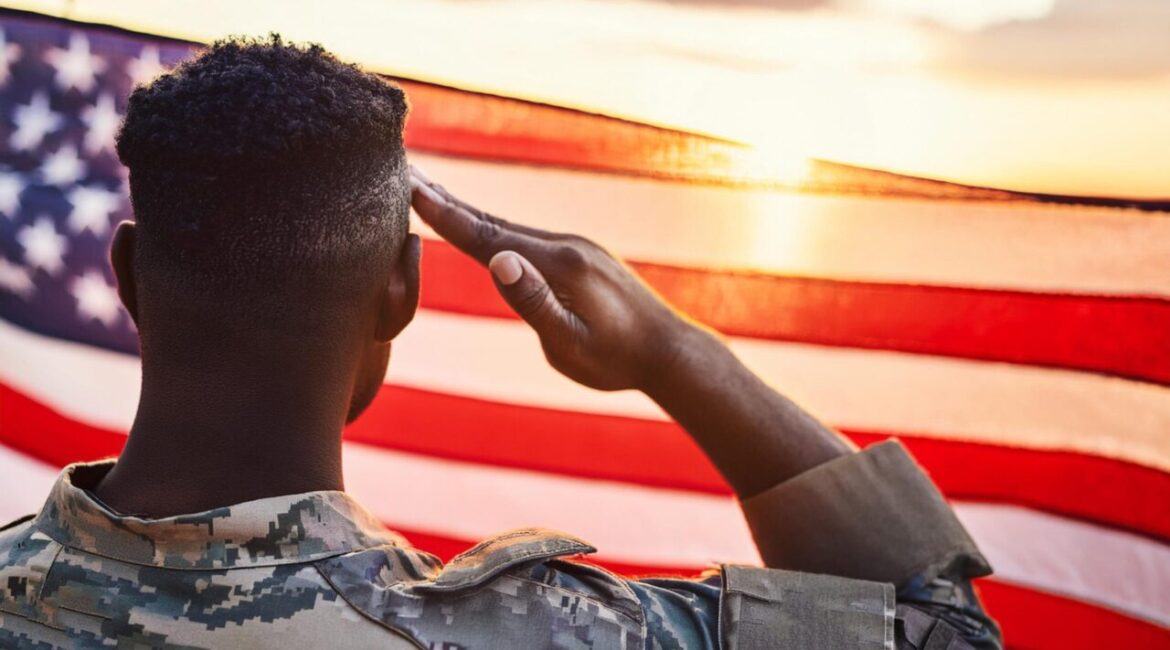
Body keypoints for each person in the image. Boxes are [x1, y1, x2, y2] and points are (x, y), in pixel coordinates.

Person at [0, 37, 1000, 649]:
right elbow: (940, 632)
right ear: (402, 290)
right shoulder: (554, 635)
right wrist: (669, 350)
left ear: (126, 277)